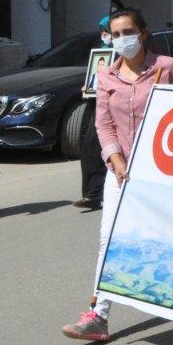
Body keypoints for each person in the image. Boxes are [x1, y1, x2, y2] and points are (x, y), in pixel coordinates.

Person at [62, 8, 173, 342]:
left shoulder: (168, 68)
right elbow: (103, 123)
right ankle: (98, 315)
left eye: (128, 32)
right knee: (110, 239)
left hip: (164, 174)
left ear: (144, 33)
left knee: (169, 239)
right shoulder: (107, 76)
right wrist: (115, 159)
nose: (122, 39)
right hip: (121, 172)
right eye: (115, 34)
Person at [73, 24, 115, 210]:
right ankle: (93, 194)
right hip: (99, 107)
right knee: (91, 147)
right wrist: (88, 89)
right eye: (102, 32)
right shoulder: (101, 55)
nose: (104, 35)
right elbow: (92, 81)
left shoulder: (131, 56)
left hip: (122, 108)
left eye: (108, 31)